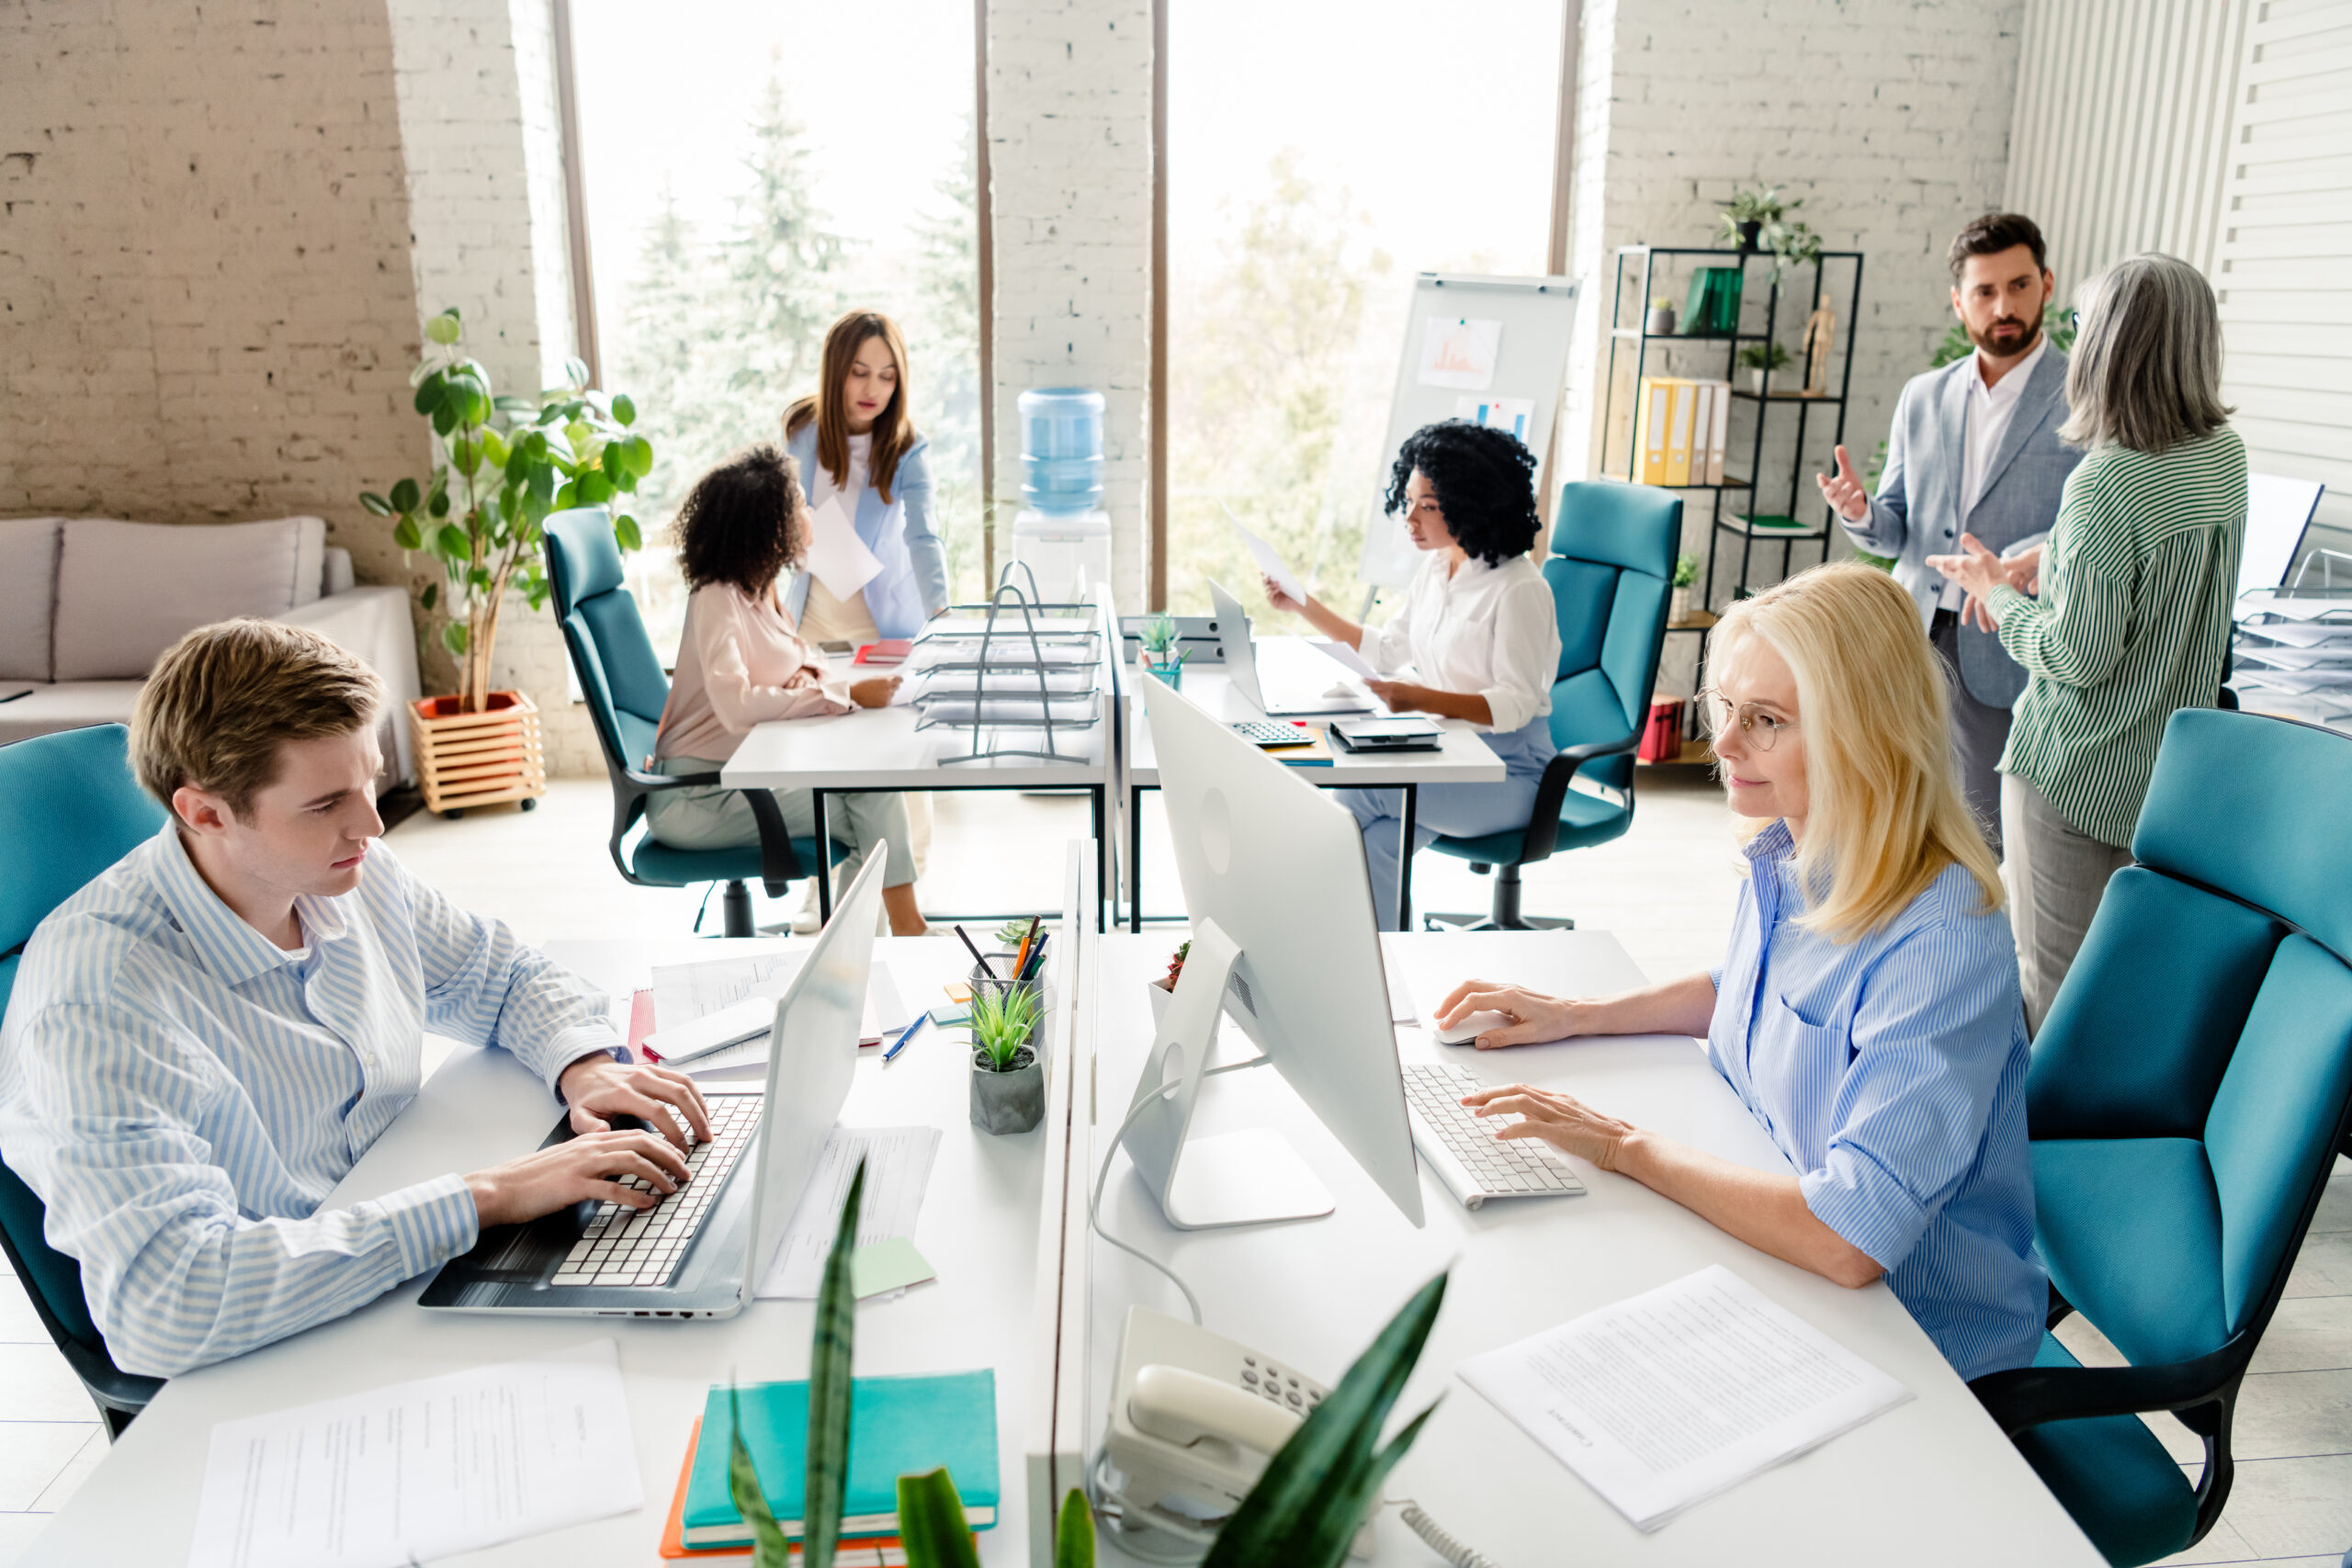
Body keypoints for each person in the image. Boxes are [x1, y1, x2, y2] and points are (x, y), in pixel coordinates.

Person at [0, 621, 710, 1378]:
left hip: (401, 1245)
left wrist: (585, 1064)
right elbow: (167, 1304)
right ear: (205, 812)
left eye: (369, 779)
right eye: (326, 802)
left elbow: (497, 973)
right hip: (283, 1339)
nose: (372, 823)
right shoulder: (99, 1002)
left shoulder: (347, 870)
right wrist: (488, 1195)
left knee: (675, 1322)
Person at [1432, 564, 2045, 1383]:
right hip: (1788, 1267)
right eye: (1728, 708)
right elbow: (1748, 990)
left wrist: (1621, 1146)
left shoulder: (1945, 938)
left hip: (1915, 1347)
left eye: (1765, 721)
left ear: (1865, 731)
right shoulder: (1795, 846)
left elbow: (1850, 1235)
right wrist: (1578, 1012)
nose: (1721, 746)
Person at [1930, 253, 2245, 1031]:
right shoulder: (2222, 457)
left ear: (2110, 345)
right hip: (2159, 777)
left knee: (2052, 996)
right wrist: (2057, 555)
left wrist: (1995, 593)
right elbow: (2162, 571)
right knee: (2119, 991)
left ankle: (2035, 1149)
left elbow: (2077, 655)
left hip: (2071, 777)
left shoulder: (2104, 482)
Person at [1819, 212, 2084, 854]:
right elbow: (1894, 530)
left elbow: (2087, 524)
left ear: (2046, 284)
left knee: (1980, 828)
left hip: (2002, 634)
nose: (2005, 306)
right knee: (1891, 804)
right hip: (1909, 632)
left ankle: (1971, 944)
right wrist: (1857, 511)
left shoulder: (2085, 393)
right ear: (1958, 301)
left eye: (2019, 286)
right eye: (1986, 292)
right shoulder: (1924, 394)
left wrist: (2020, 563)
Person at [1264, 421, 1562, 931]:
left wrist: (1421, 697)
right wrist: (1302, 605)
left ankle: (1285, 925)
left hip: (1513, 776)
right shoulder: (1437, 570)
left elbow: (1514, 705)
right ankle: (1382, 971)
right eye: (1409, 501)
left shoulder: (1520, 589)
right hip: (1452, 754)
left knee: (1360, 793)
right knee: (1377, 844)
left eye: (1427, 505)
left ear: (1471, 502)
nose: (1410, 518)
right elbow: (1387, 648)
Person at [646, 445, 929, 937]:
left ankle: (856, 951)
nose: (810, 512)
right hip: (694, 798)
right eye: (800, 503)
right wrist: (843, 696)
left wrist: (810, 678)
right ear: (768, 525)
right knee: (869, 805)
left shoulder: (760, 590)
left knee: (871, 796)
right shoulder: (716, 598)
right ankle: (890, 937)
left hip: (738, 778)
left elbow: (800, 658)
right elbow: (736, 706)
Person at [781, 310, 946, 644]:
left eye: (887, 377)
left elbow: (924, 536)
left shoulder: (909, 448)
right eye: (859, 373)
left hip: (879, 622)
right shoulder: (801, 430)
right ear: (836, 371)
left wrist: (942, 614)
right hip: (809, 619)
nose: (873, 389)